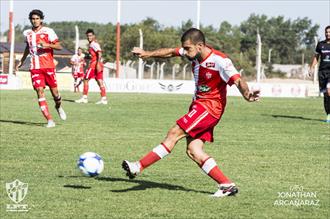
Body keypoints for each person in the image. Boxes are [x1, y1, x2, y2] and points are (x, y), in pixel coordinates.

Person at [122, 28, 260, 197]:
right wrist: (148, 54)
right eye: (185, 48)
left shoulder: (220, 61)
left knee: (173, 133)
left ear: (200, 45)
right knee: (193, 150)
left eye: (188, 49)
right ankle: (226, 185)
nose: (185, 53)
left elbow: (237, 79)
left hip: (209, 107)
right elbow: (171, 52)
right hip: (199, 106)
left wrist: (247, 94)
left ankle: (138, 166)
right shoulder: (193, 53)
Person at [16, 9, 66, 128]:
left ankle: (58, 106)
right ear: (30, 20)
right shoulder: (27, 33)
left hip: (48, 66)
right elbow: (28, 47)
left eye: (37, 18)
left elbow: (59, 46)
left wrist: (48, 44)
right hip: (35, 67)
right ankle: (49, 120)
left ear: (41, 19)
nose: (35, 21)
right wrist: (22, 61)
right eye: (33, 19)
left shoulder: (49, 31)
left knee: (55, 94)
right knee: (39, 91)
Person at [75, 29, 107, 104]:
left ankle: (84, 98)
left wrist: (98, 63)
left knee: (85, 79)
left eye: (90, 35)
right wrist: (87, 57)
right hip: (97, 64)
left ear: (93, 36)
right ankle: (104, 99)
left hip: (94, 65)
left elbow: (99, 53)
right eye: (87, 36)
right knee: (99, 81)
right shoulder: (92, 44)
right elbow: (95, 55)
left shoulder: (93, 44)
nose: (89, 37)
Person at [309, 25, 330, 123]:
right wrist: (311, 67)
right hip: (322, 72)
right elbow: (316, 57)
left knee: (329, 91)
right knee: (326, 95)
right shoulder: (321, 44)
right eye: (326, 32)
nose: (327, 34)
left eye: (329, 32)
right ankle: (328, 114)